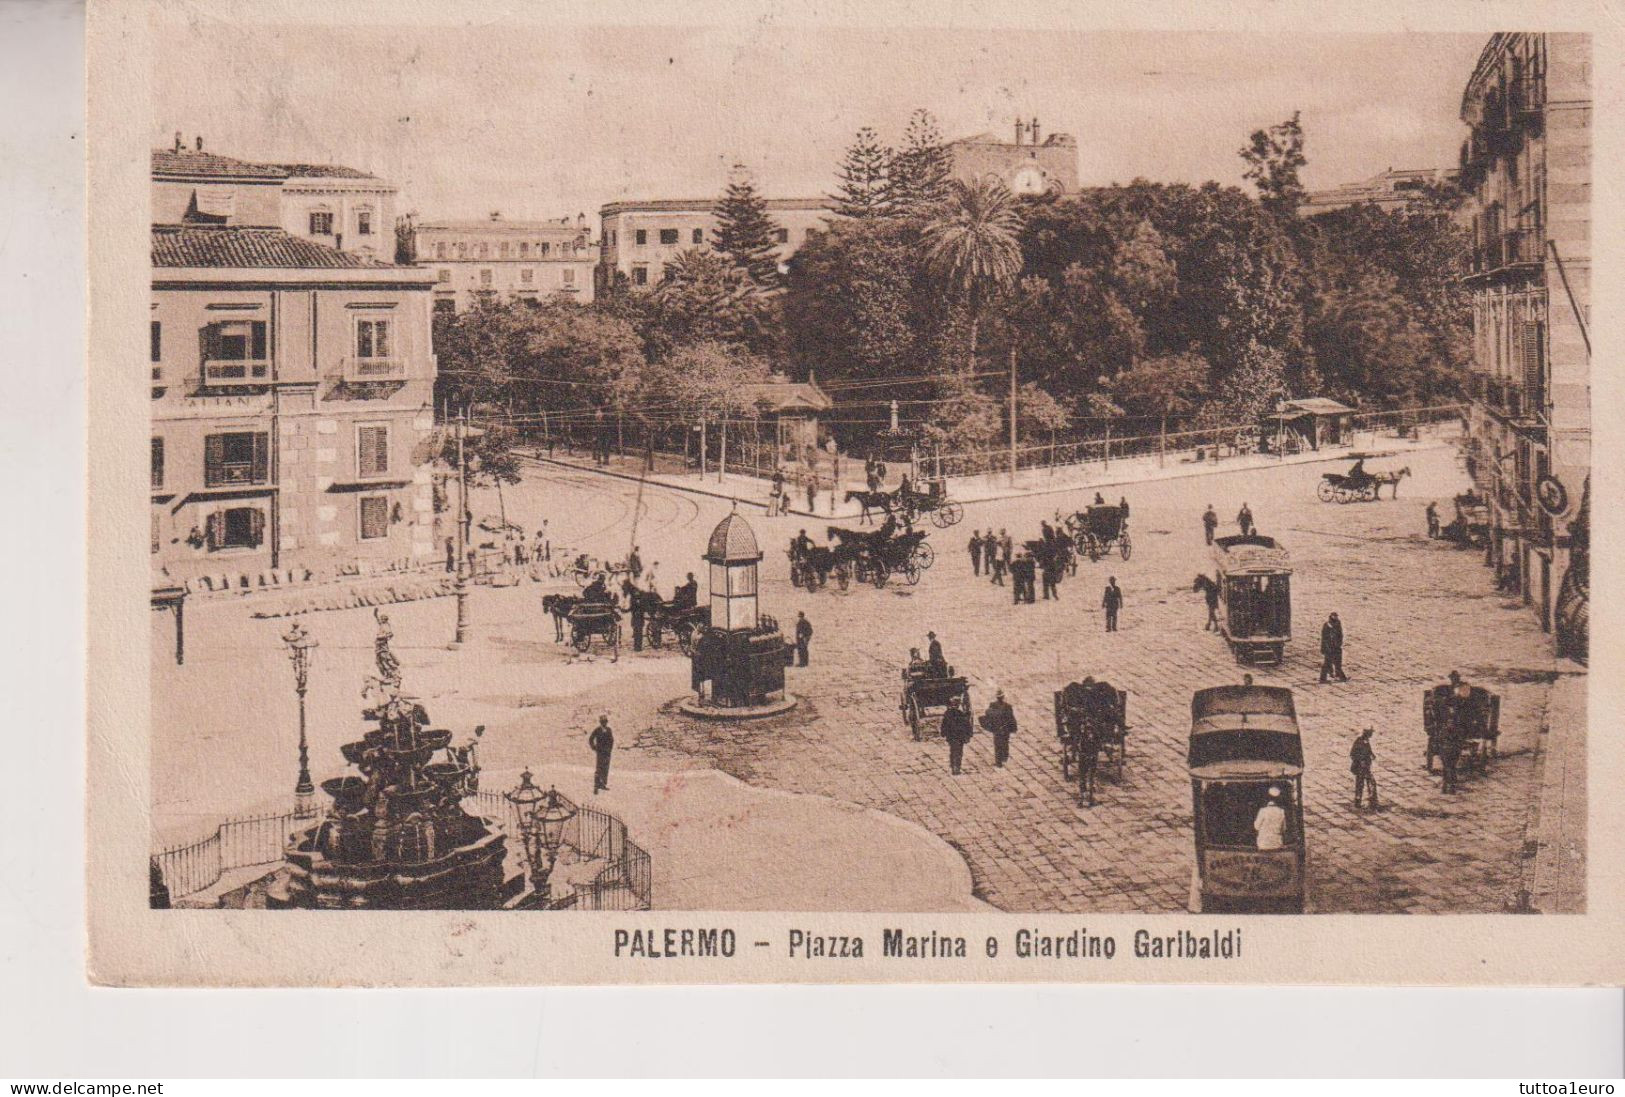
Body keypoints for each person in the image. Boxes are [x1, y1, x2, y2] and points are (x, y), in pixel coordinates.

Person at [981, 689, 1017, 767]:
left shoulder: (995, 705)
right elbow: (1011, 718)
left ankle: (1000, 760)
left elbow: (988, 714)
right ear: (1003, 697)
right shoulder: (1006, 706)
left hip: (999, 729)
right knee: (1003, 743)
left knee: (1000, 744)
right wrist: (1013, 728)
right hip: (1002, 729)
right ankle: (1001, 759)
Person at [941, 696, 974, 776]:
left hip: (951, 737)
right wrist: (969, 735)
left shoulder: (947, 713)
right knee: (959, 752)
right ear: (958, 704)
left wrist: (943, 733)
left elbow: (944, 725)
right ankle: (957, 768)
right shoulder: (961, 714)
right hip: (959, 737)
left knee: (952, 751)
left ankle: (953, 766)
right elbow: (967, 725)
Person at [1350, 728, 1379, 810]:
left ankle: (1372, 801)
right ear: (1367, 733)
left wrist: (1372, 754)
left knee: (1371, 783)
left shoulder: (1366, 741)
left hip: (1366, 767)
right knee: (1360, 784)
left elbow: (1368, 750)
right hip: (1360, 768)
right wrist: (1361, 760)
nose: (1372, 734)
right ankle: (1358, 801)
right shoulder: (1359, 741)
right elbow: (1352, 754)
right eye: (1370, 733)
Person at [588, 715, 615, 793]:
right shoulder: (597, 730)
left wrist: (610, 749)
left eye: (605, 722)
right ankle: (596, 786)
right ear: (600, 722)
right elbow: (591, 739)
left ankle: (603, 784)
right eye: (603, 722)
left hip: (607, 753)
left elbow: (612, 740)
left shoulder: (609, 730)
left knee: (605, 768)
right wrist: (594, 747)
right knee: (599, 768)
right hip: (600, 753)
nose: (604, 723)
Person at [1319, 612, 1347, 682]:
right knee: (1327, 663)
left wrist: (1339, 644)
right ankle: (1323, 678)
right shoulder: (1327, 625)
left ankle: (1340, 676)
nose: (1336, 618)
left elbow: (1340, 635)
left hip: (1336, 647)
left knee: (1337, 663)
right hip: (1329, 648)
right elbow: (1324, 638)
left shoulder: (1338, 624)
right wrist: (1324, 648)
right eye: (1334, 616)